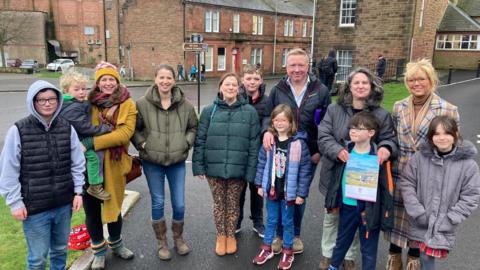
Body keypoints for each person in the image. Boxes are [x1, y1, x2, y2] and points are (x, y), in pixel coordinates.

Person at [317, 67, 398, 270]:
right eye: (356, 83)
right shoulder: (334, 110)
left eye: (365, 83)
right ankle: (329, 255)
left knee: (358, 220)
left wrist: (386, 149)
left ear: (371, 87)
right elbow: (324, 136)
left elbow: (389, 138)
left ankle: (349, 257)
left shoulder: (381, 114)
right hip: (337, 177)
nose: (360, 86)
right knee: (332, 219)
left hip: (367, 182)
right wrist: (337, 150)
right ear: (349, 86)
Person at [0, 80, 85, 269]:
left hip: (63, 204)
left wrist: (78, 191)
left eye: (51, 99)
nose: (47, 103)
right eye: (41, 100)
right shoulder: (18, 130)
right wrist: (15, 203)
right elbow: (8, 170)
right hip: (35, 209)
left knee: (61, 250)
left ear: (58, 100)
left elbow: (78, 162)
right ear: (33, 102)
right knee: (38, 258)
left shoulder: (66, 127)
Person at [386, 58, 459, 270]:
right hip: (400, 171)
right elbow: (393, 138)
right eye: (411, 80)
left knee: (420, 217)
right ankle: (394, 255)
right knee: (398, 217)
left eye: (421, 79)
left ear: (431, 80)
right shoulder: (398, 107)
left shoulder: (447, 109)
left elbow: (454, 148)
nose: (416, 83)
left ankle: (415, 257)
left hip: (430, 174)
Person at [263, 48, 331, 254]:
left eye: (301, 65)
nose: (297, 69)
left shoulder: (321, 90)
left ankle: (295, 236)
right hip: (281, 152)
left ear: (308, 66)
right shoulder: (278, 89)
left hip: (308, 153)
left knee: (298, 195)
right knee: (278, 193)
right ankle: (278, 235)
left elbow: (327, 123)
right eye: (293, 65)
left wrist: (318, 149)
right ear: (286, 67)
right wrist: (266, 131)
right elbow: (268, 117)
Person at [133, 64, 198, 261]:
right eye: (161, 77)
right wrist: (142, 144)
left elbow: (193, 127)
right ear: (155, 79)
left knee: (179, 204)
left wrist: (185, 143)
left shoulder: (185, 105)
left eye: (168, 77)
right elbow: (134, 130)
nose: (165, 81)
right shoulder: (141, 104)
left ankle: (178, 238)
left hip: (177, 162)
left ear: (174, 80)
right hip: (152, 161)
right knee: (158, 201)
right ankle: (162, 243)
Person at [192, 73, 260, 256]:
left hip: (238, 168)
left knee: (233, 204)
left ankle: (231, 235)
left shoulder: (250, 112)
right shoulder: (209, 111)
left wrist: (251, 171)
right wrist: (198, 166)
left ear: (239, 88)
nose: (231, 87)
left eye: (234, 85)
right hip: (214, 168)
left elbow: (254, 144)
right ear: (220, 87)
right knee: (219, 203)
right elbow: (200, 139)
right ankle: (220, 235)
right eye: (227, 84)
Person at [400, 115, 480, 270]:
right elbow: (407, 183)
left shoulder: (468, 165)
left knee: (427, 257)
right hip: (421, 219)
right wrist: (418, 212)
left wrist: (451, 219)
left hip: (445, 222)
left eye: (447, 133)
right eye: (436, 134)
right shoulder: (419, 158)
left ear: (455, 134)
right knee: (423, 256)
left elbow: (471, 196)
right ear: (431, 137)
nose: (441, 138)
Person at [83, 61, 137, 270]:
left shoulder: (127, 103)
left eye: (111, 79)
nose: (107, 83)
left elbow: (124, 134)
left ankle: (117, 243)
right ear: (97, 83)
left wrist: (92, 142)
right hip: (89, 163)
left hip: (114, 162)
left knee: (114, 205)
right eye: (103, 79)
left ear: (117, 81)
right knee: (92, 208)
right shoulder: (89, 102)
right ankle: (98, 250)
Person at [325, 112, 394, 270]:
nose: (353, 131)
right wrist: (331, 201)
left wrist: (386, 213)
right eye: (351, 127)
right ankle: (333, 266)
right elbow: (335, 180)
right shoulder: (344, 152)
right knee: (342, 242)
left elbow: (385, 188)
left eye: (358, 128)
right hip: (347, 206)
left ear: (371, 133)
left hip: (369, 210)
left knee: (368, 248)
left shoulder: (379, 156)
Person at [252, 104, 312, 270]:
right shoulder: (269, 142)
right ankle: (267, 248)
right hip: (272, 190)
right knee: (271, 220)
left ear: (291, 122)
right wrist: (259, 184)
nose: (279, 123)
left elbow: (305, 171)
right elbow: (261, 164)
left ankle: (288, 250)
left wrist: (301, 194)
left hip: (289, 193)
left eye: (283, 120)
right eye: (276, 120)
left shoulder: (299, 144)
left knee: (287, 222)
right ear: (272, 121)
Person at [59, 71, 112, 201]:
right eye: (76, 89)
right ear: (66, 90)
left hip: (78, 137)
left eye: (84, 89)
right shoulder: (71, 108)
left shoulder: (76, 102)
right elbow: (84, 127)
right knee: (95, 157)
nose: (82, 92)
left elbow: (89, 104)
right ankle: (95, 186)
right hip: (76, 140)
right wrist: (104, 128)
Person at [237, 64, 269, 237]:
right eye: (248, 78)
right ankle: (237, 220)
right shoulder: (235, 97)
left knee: (257, 190)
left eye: (256, 79)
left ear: (261, 81)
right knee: (239, 190)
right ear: (242, 80)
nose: (252, 82)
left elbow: (270, 119)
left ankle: (258, 221)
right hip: (241, 152)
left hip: (259, 153)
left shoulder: (267, 100)